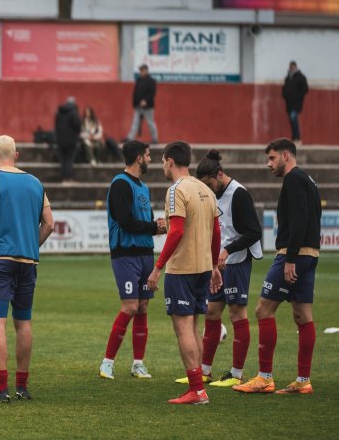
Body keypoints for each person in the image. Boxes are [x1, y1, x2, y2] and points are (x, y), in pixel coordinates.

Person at [234, 138, 321, 395]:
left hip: (294, 255)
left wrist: (290, 258)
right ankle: (303, 380)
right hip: (310, 254)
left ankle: (264, 377)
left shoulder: (293, 179)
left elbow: (300, 219)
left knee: (263, 310)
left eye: (272, 158)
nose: (268, 164)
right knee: (302, 315)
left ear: (285, 156)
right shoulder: (308, 180)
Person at [0, 135, 54, 403]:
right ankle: (22, 386)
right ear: (17, 155)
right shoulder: (36, 183)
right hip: (27, 261)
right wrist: (32, 244)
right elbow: (49, 224)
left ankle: (0, 387)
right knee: (23, 323)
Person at [175, 149, 262, 388]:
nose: (208, 188)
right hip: (219, 265)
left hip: (237, 262)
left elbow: (254, 232)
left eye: (209, 184)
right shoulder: (212, 195)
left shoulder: (239, 194)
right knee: (212, 312)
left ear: (220, 174)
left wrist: (228, 250)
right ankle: (204, 371)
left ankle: (236, 373)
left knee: (236, 314)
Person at [146, 141, 221, 405]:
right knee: (194, 326)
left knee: (183, 328)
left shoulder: (176, 189)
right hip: (203, 267)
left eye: (162, 161)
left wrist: (157, 268)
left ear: (169, 160)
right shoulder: (206, 189)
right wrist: (214, 266)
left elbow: (176, 231)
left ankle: (197, 390)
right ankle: (198, 386)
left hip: (182, 269)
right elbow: (216, 231)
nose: (162, 166)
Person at [99, 140, 166, 381]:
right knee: (129, 306)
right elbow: (126, 221)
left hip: (145, 252)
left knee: (143, 306)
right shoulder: (120, 184)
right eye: (147, 155)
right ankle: (107, 363)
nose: (150, 159)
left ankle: (138, 364)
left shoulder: (144, 188)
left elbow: (145, 222)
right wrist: (154, 227)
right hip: (125, 253)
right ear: (139, 157)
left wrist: (157, 225)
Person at [126, 64, 158, 144]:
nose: (141, 72)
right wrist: (135, 103)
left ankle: (155, 139)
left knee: (150, 122)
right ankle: (130, 138)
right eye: (140, 71)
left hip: (148, 107)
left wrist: (145, 100)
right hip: (138, 106)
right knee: (135, 122)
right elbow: (135, 92)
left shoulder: (151, 81)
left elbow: (152, 93)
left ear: (146, 71)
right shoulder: (139, 80)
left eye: (142, 70)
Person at [54, 96, 80, 184]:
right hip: (71, 140)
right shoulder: (73, 112)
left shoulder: (59, 112)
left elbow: (56, 126)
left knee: (63, 160)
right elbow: (77, 126)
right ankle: (68, 178)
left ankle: (63, 178)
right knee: (69, 159)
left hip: (60, 140)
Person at [282, 61, 309, 145]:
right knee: (292, 120)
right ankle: (294, 138)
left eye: (293, 67)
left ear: (296, 67)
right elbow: (284, 88)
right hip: (289, 103)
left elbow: (305, 89)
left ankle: (297, 139)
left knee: (293, 119)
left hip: (296, 103)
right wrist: (285, 95)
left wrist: (298, 96)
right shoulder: (288, 78)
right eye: (290, 67)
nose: (291, 68)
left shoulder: (300, 77)